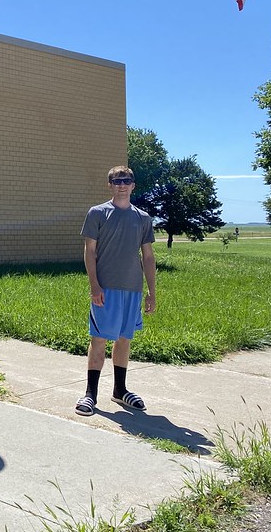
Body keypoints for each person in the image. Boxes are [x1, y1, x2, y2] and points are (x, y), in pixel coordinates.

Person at [75, 165, 156, 416]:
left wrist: (151, 292)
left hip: (132, 288)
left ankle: (120, 390)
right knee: (99, 339)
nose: (122, 185)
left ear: (133, 185)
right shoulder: (98, 213)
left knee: (124, 339)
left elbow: (149, 256)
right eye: (117, 181)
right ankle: (90, 394)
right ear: (109, 185)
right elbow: (90, 251)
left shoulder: (143, 218)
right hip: (105, 289)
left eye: (126, 180)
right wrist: (94, 285)